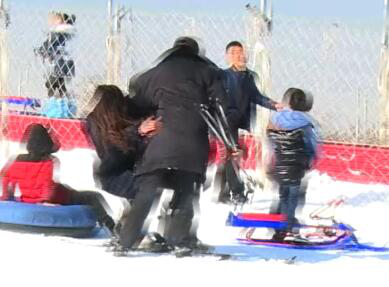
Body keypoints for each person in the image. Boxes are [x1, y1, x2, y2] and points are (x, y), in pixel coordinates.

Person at [116, 36, 230, 255]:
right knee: (186, 192)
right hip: (193, 142)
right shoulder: (209, 72)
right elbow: (222, 105)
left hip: (160, 139)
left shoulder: (159, 70)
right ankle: (179, 240)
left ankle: (126, 241)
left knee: (146, 193)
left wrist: (144, 121)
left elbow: (135, 97)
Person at [0, 123, 116, 233]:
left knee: (67, 187)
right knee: (93, 196)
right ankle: (111, 227)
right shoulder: (48, 161)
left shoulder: (17, 160)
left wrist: (6, 197)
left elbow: (5, 179)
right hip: (57, 199)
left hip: (28, 199)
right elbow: (47, 182)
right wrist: (45, 201)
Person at [216, 40, 282, 204]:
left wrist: (274, 105)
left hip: (242, 120)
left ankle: (221, 193)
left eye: (241, 52)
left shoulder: (249, 76)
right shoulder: (222, 76)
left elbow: (256, 96)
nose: (239, 55)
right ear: (228, 56)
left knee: (231, 157)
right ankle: (237, 193)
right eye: (234, 53)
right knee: (233, 154)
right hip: (226, 121)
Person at [83, 84, 161, 203]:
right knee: (156, 187)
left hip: (122, 177)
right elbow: (115, 152)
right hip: (116, 179)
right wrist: (138, 131)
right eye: (121, 102)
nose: (125, 105)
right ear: (114, 106)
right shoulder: (98, 127)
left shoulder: (115, 123)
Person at [267, 87, 320, 240]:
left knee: (283, 196)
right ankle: (287, 227)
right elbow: (311, 144)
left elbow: (271, 140)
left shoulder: (275, 119)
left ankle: (280, 226)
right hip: (297, 165)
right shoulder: (307, 122)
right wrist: (311, 159)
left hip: (280, 163)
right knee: (293, 197)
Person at [35, 12, 76, 119]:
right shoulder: (67, 33)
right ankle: (65, 108)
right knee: (61, 86)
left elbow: (50, 45)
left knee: (51, 84)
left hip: (58, 65)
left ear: (59, 21)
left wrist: (41, 50)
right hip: (67, 65)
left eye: (53, 20)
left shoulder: (57, 32)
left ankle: (54, 108)